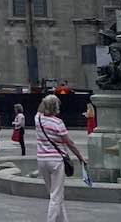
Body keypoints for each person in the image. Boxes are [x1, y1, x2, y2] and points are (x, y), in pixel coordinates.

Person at [36, 94, 87, 222]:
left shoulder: (38, 119)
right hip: (56, 161)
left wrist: (45, 100)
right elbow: (69, 143)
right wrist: (80, 157)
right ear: (56, 107)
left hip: (41, 160)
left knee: (55, 194)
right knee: (56, 195)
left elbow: (39, 109)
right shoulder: (58, 123)